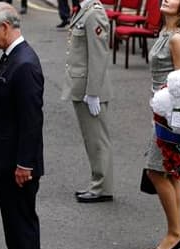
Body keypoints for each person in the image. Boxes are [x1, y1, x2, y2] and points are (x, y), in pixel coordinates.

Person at [0, 2, 44, 249]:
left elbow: (31, 120)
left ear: (5, 27)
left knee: (21, 229)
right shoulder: (13, 57)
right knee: (14, 227)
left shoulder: (24, 64)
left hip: (16, 167)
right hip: (6, 162)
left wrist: (24, 164)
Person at [141, 0, 180, 249]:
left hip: (169, 113)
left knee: (155, 170)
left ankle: (175, 233)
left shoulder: (177, 39)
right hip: (158, 108)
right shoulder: (165, 33)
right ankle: (176, 231)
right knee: (170, 173)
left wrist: (172, 117)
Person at [62, 0, 114, 203]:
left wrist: (93, 93)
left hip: (90, 88)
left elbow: (99, 56)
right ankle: (97, 182)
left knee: (97, 139)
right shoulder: (85, 11)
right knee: (91, 139)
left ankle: (102, 187)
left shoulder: (94, 14)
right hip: (82, 85)